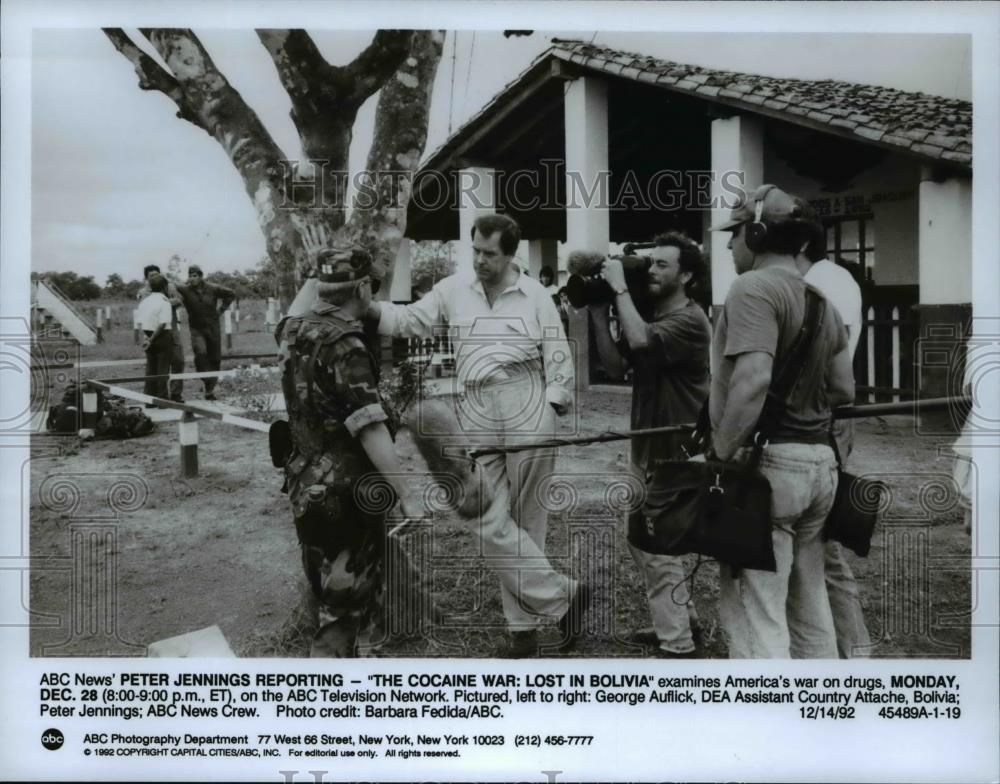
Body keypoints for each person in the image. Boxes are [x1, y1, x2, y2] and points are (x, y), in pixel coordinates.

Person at [366, 213, 588, 658]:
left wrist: (552, 406)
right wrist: (366, 310)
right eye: (475, 251)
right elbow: (410, 321)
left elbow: (558, 351)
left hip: (526, 396)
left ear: (510, 254)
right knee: (485, 517)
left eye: (490, 253)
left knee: (527, 520)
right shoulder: (452, 290)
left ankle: (522, 631)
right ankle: (562, 598)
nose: (480, 260)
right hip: (475, 405)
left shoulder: (536, 295)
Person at [708, 184, 855, 659]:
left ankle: (764, 724)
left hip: (769, 472)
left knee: (757, 614)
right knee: (810, 604)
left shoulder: (751, 287)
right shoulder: (821, 301)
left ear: (756, 232)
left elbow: (751, 380)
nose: (729, 245)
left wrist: (719, 456)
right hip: (818, 469)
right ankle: (820, 716)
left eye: (733, 234)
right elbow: (843, 391)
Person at [275, 247, 427, 657]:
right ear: (361, 287)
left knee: (335, 592)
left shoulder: (289, 330)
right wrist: (408, 496)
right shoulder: (347, 345)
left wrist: (323, 280)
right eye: (371, 288)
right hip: (347, 496)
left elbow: (307, 301)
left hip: (306, 486)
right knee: (344, 606)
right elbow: (370, 429)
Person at [588, 232, 711, 657]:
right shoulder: (651, 315)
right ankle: (685, 619)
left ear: (687, 275)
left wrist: (620, 287)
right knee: (639, 538)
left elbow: (639, 342)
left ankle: (676, 644)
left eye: (663, 265)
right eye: (651, 262)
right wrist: (601, 309)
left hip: (677, 450)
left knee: (657, 545)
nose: (653, 271)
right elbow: (615, 363)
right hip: (646, 447)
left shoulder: (690, 320)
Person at [797, 221, 872, 659]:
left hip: (825, 418)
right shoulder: (812, 280)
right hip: (816, 418)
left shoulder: (828, 280)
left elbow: (829, 353)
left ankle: (853, 652)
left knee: (823, 550)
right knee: (815, 550)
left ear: (802, 241)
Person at [176, 265, 234, 401]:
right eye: (190, 275)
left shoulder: (213, 288)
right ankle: (205, 378)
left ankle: (210, 390)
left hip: (213, 327)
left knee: (215, 358)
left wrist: (221, 310)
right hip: (197, 328)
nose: (193, 278)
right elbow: (170, 285)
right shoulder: (185, 289)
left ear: (201, 276)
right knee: (201, 352)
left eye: (195, 275)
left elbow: (231, 293)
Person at [138, 264, 186, 402]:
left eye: (157, 274)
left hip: (172, 329)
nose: (155, 277)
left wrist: (167, 301)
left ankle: (176, 394)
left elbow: (179, 300)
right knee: (156, 367)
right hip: (155, 330)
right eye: (151, 275)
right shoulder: (144, 292)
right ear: (146, 278)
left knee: (178, 361)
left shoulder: (169, 287)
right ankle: (157, 397)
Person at [135, 274, 174, 404]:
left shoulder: (144, 302)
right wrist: (152, 339)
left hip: (148, 333)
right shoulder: (164, 301)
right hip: (162, 336)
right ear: (165, 286)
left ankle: (149, 399)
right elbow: (162, 324)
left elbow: (141, 322)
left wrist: (147, 338)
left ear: (151, 287)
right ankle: (162, 400)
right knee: (162, 369)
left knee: (150, 368)